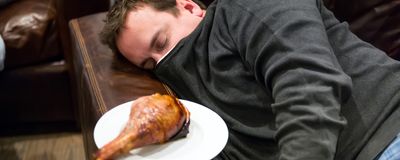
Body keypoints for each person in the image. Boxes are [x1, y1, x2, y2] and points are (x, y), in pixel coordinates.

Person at [100, 0, 400, 159]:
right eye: (150, 64)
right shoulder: (184, 97)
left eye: (162, 41)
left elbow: (308, 87)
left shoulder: (247, 6)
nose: (164, 62)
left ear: (189, 6)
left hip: (386, 135)